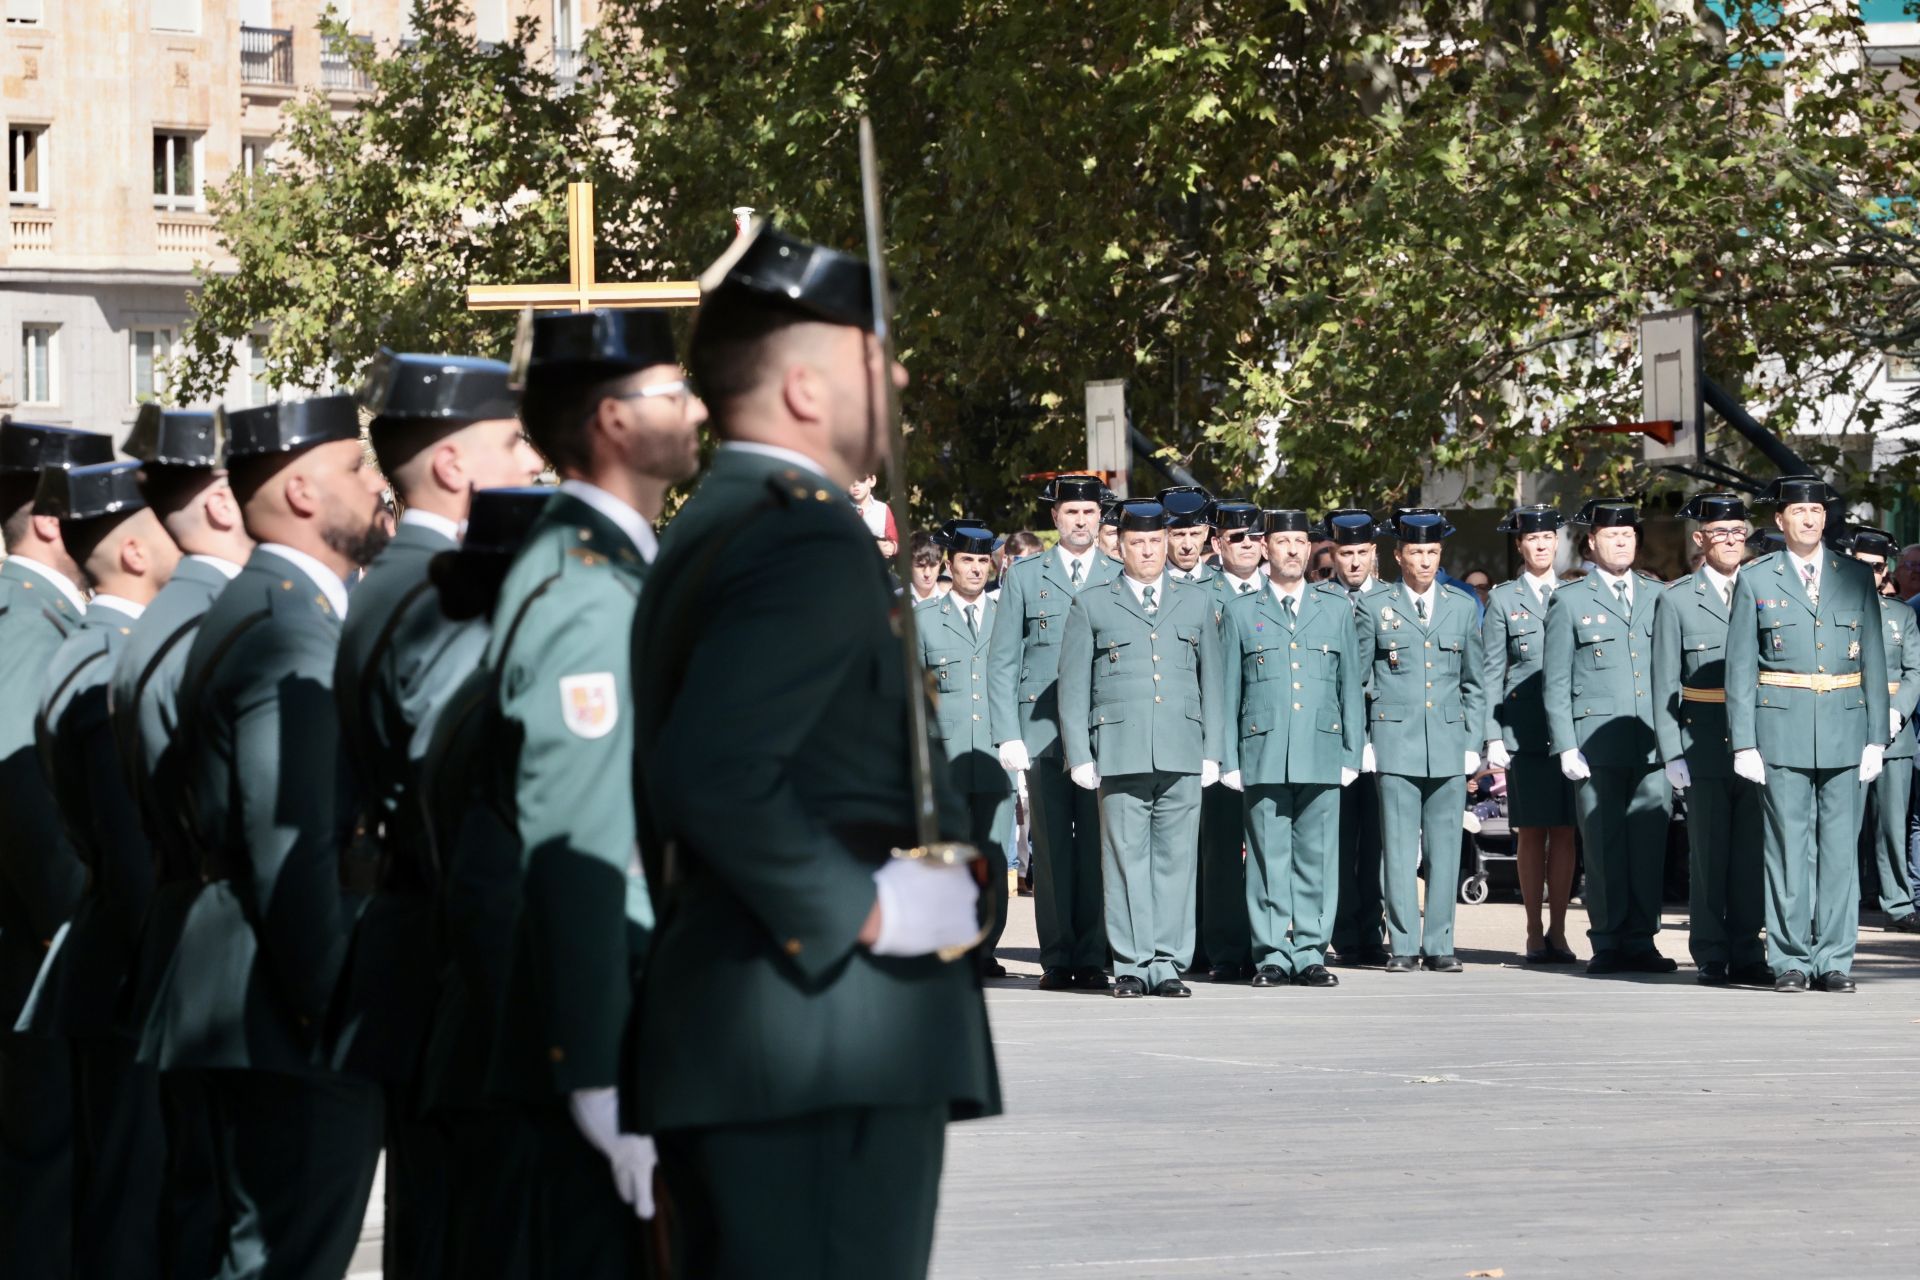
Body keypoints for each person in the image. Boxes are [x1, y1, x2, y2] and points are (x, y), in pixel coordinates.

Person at [630, 223, 997, 1280]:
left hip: (770, 1043)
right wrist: (866, 906)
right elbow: (712, 770)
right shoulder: (799, 532)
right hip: (815, 1042)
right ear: (801, 387)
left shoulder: (729, 519)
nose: (901, 373)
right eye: (873, 354)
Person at [466, 309, 707, 1276]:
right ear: (612, 421)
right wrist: (604, 1084)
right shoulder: (582, 587)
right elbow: (581, 849)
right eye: (670, 393)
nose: (694, 409)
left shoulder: (617, 566)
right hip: (605, 1046)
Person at [138, 394, 390, 1279]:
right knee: (288, 1260)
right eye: (355, 468)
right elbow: (291, 844)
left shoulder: (266, 607)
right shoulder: (290, 628)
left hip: (243, 990)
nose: (374, 482)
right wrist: (336, 1014)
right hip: (285, 1005)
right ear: (301, 493)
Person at [331, 350, 543, 1279]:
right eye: (513, 442)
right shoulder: (441, 594)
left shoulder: (403, 578)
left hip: (426, 958)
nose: (534, 461)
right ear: (454, 465)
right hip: (461, 963)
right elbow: (467, 794)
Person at [19, 460, 179, 1280]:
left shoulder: (92, 646)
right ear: (134, 551)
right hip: (130, 981)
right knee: (126, 1209)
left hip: (105, 970)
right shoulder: (111, 663)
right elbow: (130, 857)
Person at [109, 405, 254, 1279]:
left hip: (183, 929)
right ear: (227, 502)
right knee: (226, 1213)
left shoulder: (170, 615)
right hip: (219, 937)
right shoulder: (216, 620)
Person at [409, 485, 554, 1280]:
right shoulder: (513, 704)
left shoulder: (479, 689)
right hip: (509, 1054)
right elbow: (489, 892)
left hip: (478, 1046)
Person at [0, 418, 113, 1280]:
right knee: (44, 1200)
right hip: (36, 976)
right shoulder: (27, 629)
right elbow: (29, 810)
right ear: (49, 518)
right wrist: (94, 941)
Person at [1057, 498, 1224, 996]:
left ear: (1168, 543)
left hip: (1181, 749)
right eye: (1137, 543)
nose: (1148, 551)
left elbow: (1211, 680)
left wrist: (1213, 750)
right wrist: (1080, 754)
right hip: (1120, 748)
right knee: (1125, 860)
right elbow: (1073, 686)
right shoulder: (1092, 603)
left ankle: (1168, 963)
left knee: (1176, 862)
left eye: (1155, 541)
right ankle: (1131, 962)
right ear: (1120, 547)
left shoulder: (1197, 601)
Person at [1727, 476, 1887, 992]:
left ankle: (1836, 959)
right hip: (1781, 727)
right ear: (1780, 520)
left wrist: (1877, 737)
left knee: (1840, 851)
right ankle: (1791, 958)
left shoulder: (1854, 577)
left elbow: (1877, 662)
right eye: (1799, 511)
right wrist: (1744, 741)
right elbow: (1740, 667)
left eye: (1817, 511)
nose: (1810, 519)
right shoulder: (1757, 578)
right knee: (1787, 849)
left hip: (1846, 723)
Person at [1218, 509, 1361, 987]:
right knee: (1266, 858)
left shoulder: (1336, 608)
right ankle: (1273, 953)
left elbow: (1349, 686)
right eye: (1284, 542)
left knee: (1317, 857)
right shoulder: (1241, 612)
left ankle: (1311, 950)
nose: (1294, 550)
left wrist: (1352, 752)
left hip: (1322, 749)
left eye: (1301, 541)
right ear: (1265, 549)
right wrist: (1229, 757)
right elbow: (1228, 690)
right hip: (1263, 750)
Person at [989, 473, 1118, 992]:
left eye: (1089, 513)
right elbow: (1002, 661)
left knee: (1094, 844)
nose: (1081, 521)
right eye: (1071, 513)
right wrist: (1006, 733)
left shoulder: (1116, 572)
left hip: (1100, 728)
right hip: (1040, 731)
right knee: (1050, 846)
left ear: (1100, 518)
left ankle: (1092, 954)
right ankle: (1057, 955)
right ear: (1055, 518)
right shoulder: (1025, 576)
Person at [1543, 498, 1676, 977]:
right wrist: (1565, 743)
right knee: (1601, 846)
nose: (1621, 543)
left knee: (1648, 843)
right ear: (1592, 543)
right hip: (1594, 741)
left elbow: (1670, 672)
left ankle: (1642, 938)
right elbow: (1556, 679)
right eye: (1612, 536)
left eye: (1629, 536)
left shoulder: (1659, 595)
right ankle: (1607, 939)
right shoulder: (1570, 599)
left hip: (1651, 739)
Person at [1356, 509, 1485, 972]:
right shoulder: (1374, 607)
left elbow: (1474, 681)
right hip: (1394, 740)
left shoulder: (1462, 606)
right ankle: (1405, 945)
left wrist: (1475, 740)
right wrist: (1364, 739)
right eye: (1415, 552)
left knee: (1445, 847)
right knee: (1397, 847)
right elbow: (1358, 679)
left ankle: (1441, 943)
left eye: (1432, 552)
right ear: (1398, 555)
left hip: (1448, 742)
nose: (1424, 561)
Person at [1653, 493, 1771, 987]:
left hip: (1760, 739)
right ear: (1700, 539)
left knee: (1752, 851)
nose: (1730, 541)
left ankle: (1749, 947)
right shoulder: (1677, 598)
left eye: (1738, 532)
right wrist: (1671, 751)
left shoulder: (1767, 588)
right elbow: (1664, 684)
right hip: (1702, 738)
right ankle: (1710, 950)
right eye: (1720, 533)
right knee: (1708, 851)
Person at [1481, 505, 1578, 964]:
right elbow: (1490, 673)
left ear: (1556, 543)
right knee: (1531, 832)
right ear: (1520, 546)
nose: (1541, 545)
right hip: (1525, 729)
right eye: (1531, 539)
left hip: (1572, 731)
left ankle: (1560, 929)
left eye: (1547, 538)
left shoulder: (1577, 592)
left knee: (1565, 831)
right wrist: (1492, 732)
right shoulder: (1503, 599)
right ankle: (1534, 929)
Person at [918, 519, 1014, 976]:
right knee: (948, 854)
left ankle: (985, 947)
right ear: (947, 565)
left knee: (993, 855)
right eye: (967, 561)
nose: (977, 570)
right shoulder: (922, 621)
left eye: (983, 561)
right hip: (946, 758)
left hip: (996, 758)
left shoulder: (1006, 618)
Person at [1194, 500, 1264, 981]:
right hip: (1216, 736)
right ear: (1217, 544)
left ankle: (1267, 945)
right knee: (1218, 849)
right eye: (1236, 538)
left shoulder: (1280, 590)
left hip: (1267, 736)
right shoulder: (1198, 591)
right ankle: (1221, 949)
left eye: (1255, 538)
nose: (1247, 546)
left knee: (1267, 845)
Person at [1837, 527, 1920, 935]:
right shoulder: (1834, 611)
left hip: (1894, 733)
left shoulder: (1901, 615)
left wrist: (1897, 712)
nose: (1871, 573)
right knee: (1845, 824)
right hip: (1846, 728)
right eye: (1863, 565)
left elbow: (1914, 671)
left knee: (1892, 825)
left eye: (1877, 567)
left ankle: (1898, 901)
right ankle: (1842, 901)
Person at [1324, 508, 1390, 966]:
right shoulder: (1319, 598)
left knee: (1378, 840)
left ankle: (1373, 929)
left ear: (1374, 553)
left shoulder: (1393, 597)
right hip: (1331, 734)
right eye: (1345, 553)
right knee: (1339, 837)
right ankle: (1345, 930)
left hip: (1385, 732)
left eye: (1361, 553)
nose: (1352, 562)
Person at [1160, 485, 1214, 583]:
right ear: (1164, 536)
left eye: (1195, 534)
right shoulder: (1152, 584)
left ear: (1206, 532)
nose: (1188, 546)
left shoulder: (1222, 582)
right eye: (1179, 535)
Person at [848, 471, 897, 557]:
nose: (855, 483)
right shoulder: (837, 508)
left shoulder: (882, 509)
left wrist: (892, 547)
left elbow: (896, 541)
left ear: (872, 481)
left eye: (861, 478)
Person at [907, 529, 945, 602]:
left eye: (933, 565)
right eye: (920, 566)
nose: (927, 574)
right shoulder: (894, 601)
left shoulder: (951, 603)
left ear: (940, 564)